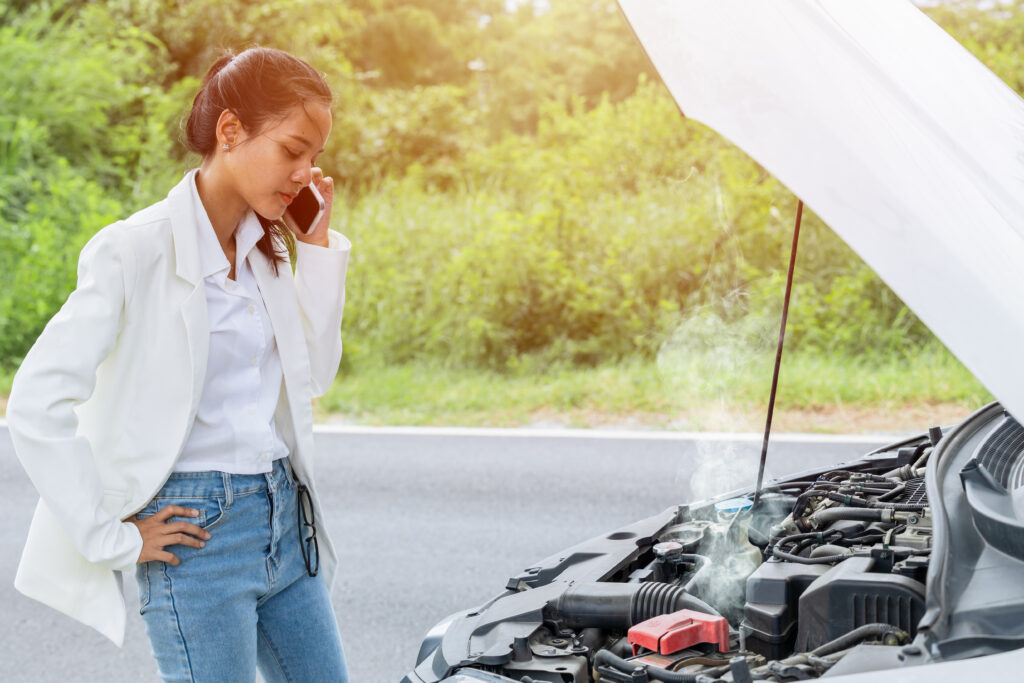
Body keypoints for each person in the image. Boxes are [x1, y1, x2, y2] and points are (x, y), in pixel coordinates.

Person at [7, 46, 350, 682]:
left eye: (314, 157)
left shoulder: (266, 254)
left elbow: (315, 378)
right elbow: (35, 404)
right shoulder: (132, 250)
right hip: (197, 538)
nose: (305, 172)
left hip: (284, 518)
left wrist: (319, 249)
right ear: (230, 130)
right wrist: (111, 536)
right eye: (292, 150)